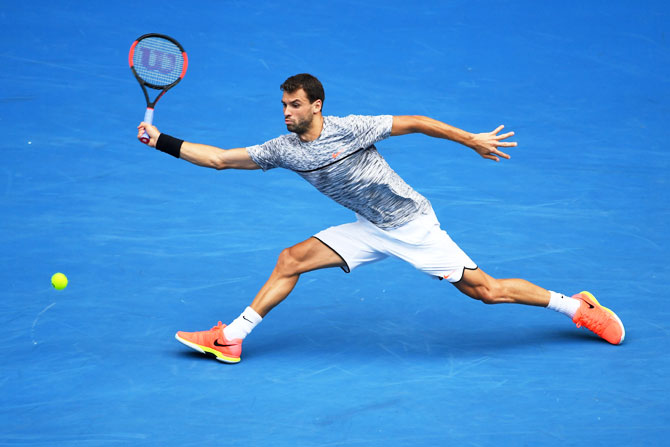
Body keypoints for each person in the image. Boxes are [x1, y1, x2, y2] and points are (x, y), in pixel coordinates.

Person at [137, 73, 625, 364]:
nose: (286, 113)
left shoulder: (352, 128)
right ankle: (232, 338)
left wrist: (471, 139)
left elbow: (414, 123)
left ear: (316, 106)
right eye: (283, 105)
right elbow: (222, 159)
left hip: (412, 226)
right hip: (369, 226)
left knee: (488, 292)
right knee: (290, 260)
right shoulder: (282, 149)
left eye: (294, 105)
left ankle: (575, 307)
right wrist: (162, 141)